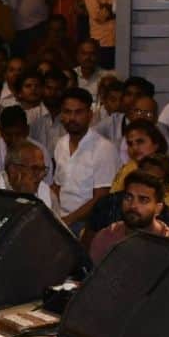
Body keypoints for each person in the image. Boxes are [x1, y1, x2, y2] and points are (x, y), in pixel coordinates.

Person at [51, 88, 122, 230]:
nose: (72, 118)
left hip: (88, 223)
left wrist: (68, 220)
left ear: (90, 115)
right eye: (67, 112)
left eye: (78, 112)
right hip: (61, 218)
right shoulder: (61, 144)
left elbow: (102, 198)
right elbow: (57, 187)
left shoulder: (104, 149)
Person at [88, 169, 169, 265]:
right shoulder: (107, 237)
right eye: (128, 198)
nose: (133, 205)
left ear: (158, 208)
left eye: (143, 200)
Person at [113, 119, 169, 211]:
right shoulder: (128, 168)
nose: (134, 148)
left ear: (156, 144)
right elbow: (115, 198)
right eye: (130, 144)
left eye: (140, 142)